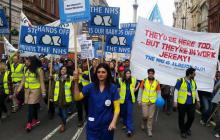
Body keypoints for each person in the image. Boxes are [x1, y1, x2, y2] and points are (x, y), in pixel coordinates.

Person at [73, 63, 120, 140]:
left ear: (108, 74)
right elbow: (77, 97)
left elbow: (117, 108)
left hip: (107, 126)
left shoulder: (113, 88)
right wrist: (75, 82)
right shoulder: (90, 86)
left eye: (103, 72)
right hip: (92, 126)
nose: (100, 74)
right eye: (98, 72)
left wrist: (113, 122)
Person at [16, 56, 46, 132]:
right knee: (34, 106)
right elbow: (23, 80)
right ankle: (35, 119)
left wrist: (43, 92)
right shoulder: (26, 69)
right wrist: (18, 89)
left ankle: (29, 123)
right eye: (26, 61)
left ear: (32, 62)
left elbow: (42, 82)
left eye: (27, 61)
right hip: (27, 90)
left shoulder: (39, 70)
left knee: (30, 106)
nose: (26, 62)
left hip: (36, 91)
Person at [173, 67, 200, 138]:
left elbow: (195, 91)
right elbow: (176, 91)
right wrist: (175, 101)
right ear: (189, 74)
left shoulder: (193, 81)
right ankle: (183, 131)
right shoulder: (180, 80)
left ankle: (186, 128)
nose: (195, 74)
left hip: (191, 103)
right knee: (181, 117)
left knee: (191, 117)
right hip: (182, 103)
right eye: (194, 73)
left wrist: (198, 100)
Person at [50, 66, 75, 133]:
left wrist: (73, 97)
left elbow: (72, 89)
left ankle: (63, 124)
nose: (63, 70)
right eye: (62, 69)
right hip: (57, 99)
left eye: (64, 69)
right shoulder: (56, 77)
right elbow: (52, 88)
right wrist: (51, 96)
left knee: (64, 114)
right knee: (57, 112)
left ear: (66, 70)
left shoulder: (69, 78)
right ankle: (62, 121)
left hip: (65, 100)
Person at [137, 68, 161, 137]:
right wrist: (139, 100)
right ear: (148, 74)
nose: (150, 74)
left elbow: (158, 92)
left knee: (150, 117)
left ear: (154, 74)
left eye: (152, 73)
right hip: (144, 101)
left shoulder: (157, 82)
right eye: (149, 73)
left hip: (153, 102)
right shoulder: (144, 81)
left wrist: (159, 99)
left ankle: (149, 129)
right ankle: (143, 121)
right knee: (145, 115)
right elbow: (140, 91)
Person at [118, 69, 138, 137]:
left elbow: (139, 83)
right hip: (122, 100)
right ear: (124, 74)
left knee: (129, 114)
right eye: (127, 73)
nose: (128, 75)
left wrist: (136, 88)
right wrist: (118, 89)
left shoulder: (133, 79)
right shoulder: (120, 80)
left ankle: (129, 129)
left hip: (130, 100)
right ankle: (124, 122)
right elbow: (117, 88)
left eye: (129, 73)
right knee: (123, 113)